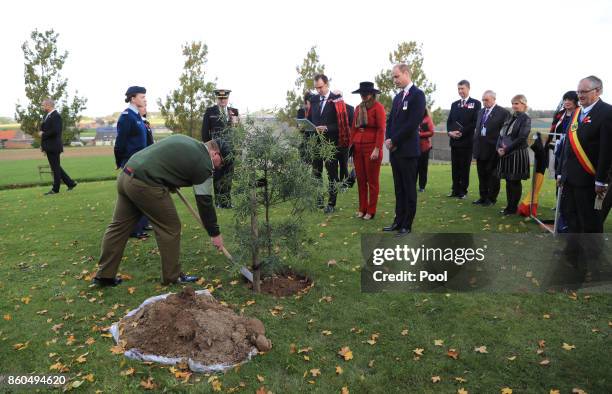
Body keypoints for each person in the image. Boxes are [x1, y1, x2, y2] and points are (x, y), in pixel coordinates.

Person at [93, 134, 229, 286]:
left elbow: (167, 161)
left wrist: (169, 180)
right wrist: (214, 233)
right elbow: (205, 202)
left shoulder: (189, 142)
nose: (219, 167)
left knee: (118, 227)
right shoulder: (204, 163)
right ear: (215, 153)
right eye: (221, 163)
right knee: (170, 228)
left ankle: (104, 275)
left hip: (127, 175)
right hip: (145, 184)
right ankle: (172, 277)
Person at [558, 76, 612, 233]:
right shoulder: (576, 113)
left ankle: (592, 256)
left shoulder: (607, 113)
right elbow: (568, 146)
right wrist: (561, 172)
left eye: (584, 91)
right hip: (570, 178)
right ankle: (573, 253)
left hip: (590, 180)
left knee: (589, 222)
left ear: (598, 91)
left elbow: (607, 150)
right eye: (578, 91)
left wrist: (601, 180)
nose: (580, 95)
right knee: (570, 216)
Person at [383, 64, 426, 236]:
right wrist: (388, 138)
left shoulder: (418, 95)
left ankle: (407, 225)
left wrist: (394, 140)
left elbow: (412, 123)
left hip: (408, 151)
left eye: (396, 76)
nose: (395, 80)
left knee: (409, 188)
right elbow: (390, 121)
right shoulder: (398, 97)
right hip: (395, 151)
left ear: (406, 74)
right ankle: (398, 221)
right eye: (393, 77)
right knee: (398, 188)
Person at [308, 74, 352, 213]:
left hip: (330, 143)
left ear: (327, 84)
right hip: (316, 142)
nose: (318, 90)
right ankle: (319, 200)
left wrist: (327, 127)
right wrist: (307, 125)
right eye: (316, 88)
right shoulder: (313, 100)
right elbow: (310, 119)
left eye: (320, 87)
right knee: (316, 173)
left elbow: (343, 125)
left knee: (332, 174)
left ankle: (331, 204)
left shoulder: (336, 100)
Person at [114, 86, 150, 239]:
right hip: (131, 163)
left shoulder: (137, 117)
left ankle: (141, 225)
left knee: (142, 193)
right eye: (142, 97)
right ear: (133, 98)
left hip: (141, 162)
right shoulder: (127, 117)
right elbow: (120, 144)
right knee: (135, 196)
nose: (144, 99)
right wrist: (121, 161)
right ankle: (134, 229)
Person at [350, 81, 385, 220]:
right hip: (358, 146)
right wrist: (351, 146)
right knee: (361, 180)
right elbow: (354, 128)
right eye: (361, 94)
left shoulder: (378, 108)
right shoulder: (358, 108)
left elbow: (381, 129)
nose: (363, 96)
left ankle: (371, 210)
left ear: (372, 94)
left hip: (372, 147)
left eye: (366, 93)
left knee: (372, 181)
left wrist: (377, 148)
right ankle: (362, 208)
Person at [201, 89, 239, 208]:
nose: (222, 100)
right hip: (216, 150)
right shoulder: (210, 111)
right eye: (220, 98)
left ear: (228, 99)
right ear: (216, 98)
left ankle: (227, 202)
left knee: (228, 175)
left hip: (230, 149)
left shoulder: (234, 111)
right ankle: (218, 202)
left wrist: (236, 146)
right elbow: (204, 132)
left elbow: (237, 131)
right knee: (218, 175)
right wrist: (210, 148)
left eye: (225, 98)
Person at [472, 90, 510, 206]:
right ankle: (482, 197)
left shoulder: (503, 112)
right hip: (480, 148)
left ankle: (491, 198)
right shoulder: (481, 112)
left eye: (486, 100)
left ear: (494, 99)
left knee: (492, 176)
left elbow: (505, 133)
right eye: (483, 100)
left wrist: (501, 147)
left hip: (493, 149)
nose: (484, 102)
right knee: (481, 174)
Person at [496, 95, 531, 215]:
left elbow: (522, 138)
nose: (514, 106)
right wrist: (499, 147)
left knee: (514, 181)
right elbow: (502, 134)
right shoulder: (510, 117)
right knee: (508, 181)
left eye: (517, 103)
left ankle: (512, 208)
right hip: (506, 152)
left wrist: (506, 149)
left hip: (517, 153)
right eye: (513, 103)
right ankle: (509, 207)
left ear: (523, 104)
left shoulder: (525, 118)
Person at [446, 80, 481, 199]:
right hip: (454, 141)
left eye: (462, 89)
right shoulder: (454, 104)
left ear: (468, 88)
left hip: (466, 142)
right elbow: (449, 121)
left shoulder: (476, 103)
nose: (460, 91)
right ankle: (455, 190)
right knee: (455, 167)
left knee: (464, 168)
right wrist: (450, 132)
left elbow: (475, 122)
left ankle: (463, 191)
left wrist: (461, 132)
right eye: (459, 89)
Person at [39, 98, 77, 195]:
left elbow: (56, 131)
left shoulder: (56, 116)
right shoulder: (47, 116)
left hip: (54, 146)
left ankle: (55, 189)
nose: (42, 107)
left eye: (43, 105)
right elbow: (43, 129)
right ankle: (70, 183)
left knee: (55, 168)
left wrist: (43, 134)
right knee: (56, 167)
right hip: (48, 146)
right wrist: (42, 145)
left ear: (49, 105)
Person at [416, 108, 435, 192]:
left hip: (424, 147)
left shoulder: (427, 119)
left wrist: (420, 134)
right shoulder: (414, 117)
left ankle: (422, 186)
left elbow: (431, 132)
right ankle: (412, 185)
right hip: (414, 147)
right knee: (414, 167)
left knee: (423, 167)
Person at [297, 91, 314, 163]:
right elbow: (299, 124)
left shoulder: (315, 110)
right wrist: (300, 126)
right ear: (306, 101)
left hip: (314, 139)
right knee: (304, 161)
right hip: (304, 139)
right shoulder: (301, 111)